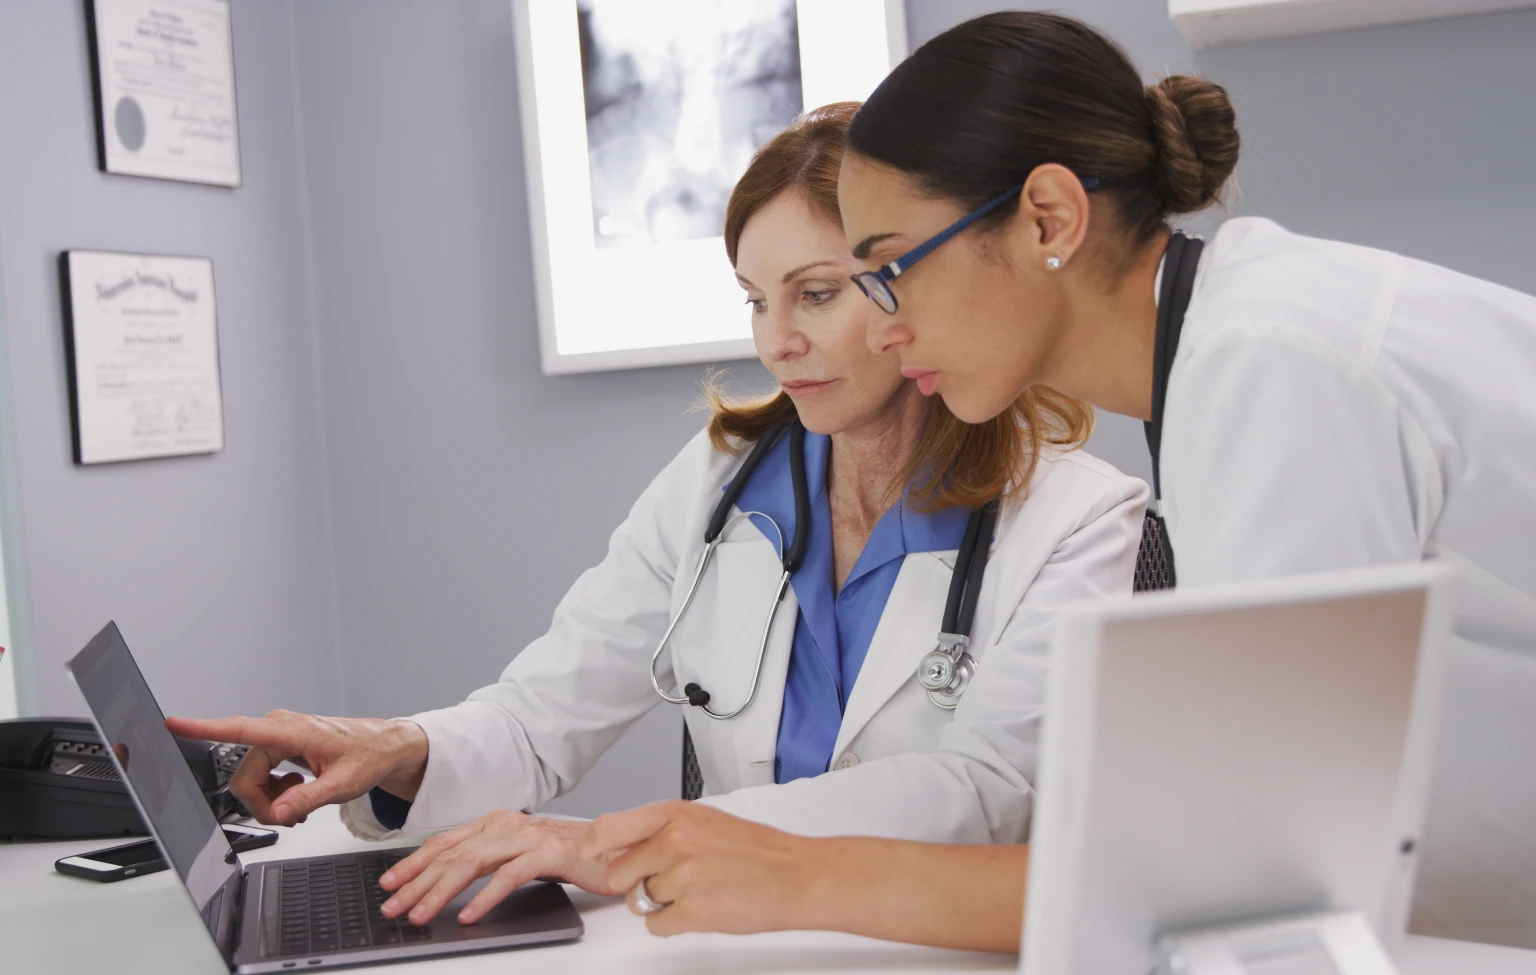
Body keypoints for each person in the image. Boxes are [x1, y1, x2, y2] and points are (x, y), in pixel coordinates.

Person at [578, 10, 1536, 953]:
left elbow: (1240, 867)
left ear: (1050, 218)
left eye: (888, 271)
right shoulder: (1226, 352)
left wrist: (796, 872)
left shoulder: (1272, 362)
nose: (885, 324)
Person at [169, 102, 1147, 930]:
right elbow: (544, 715)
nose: (779, 341)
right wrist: (401, 746)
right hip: (726, 942)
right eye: (756, 301)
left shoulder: (1075, 518)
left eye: (814, 294)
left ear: (909, 282)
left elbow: (984, 798)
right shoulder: (725, 478)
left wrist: (614, 842)